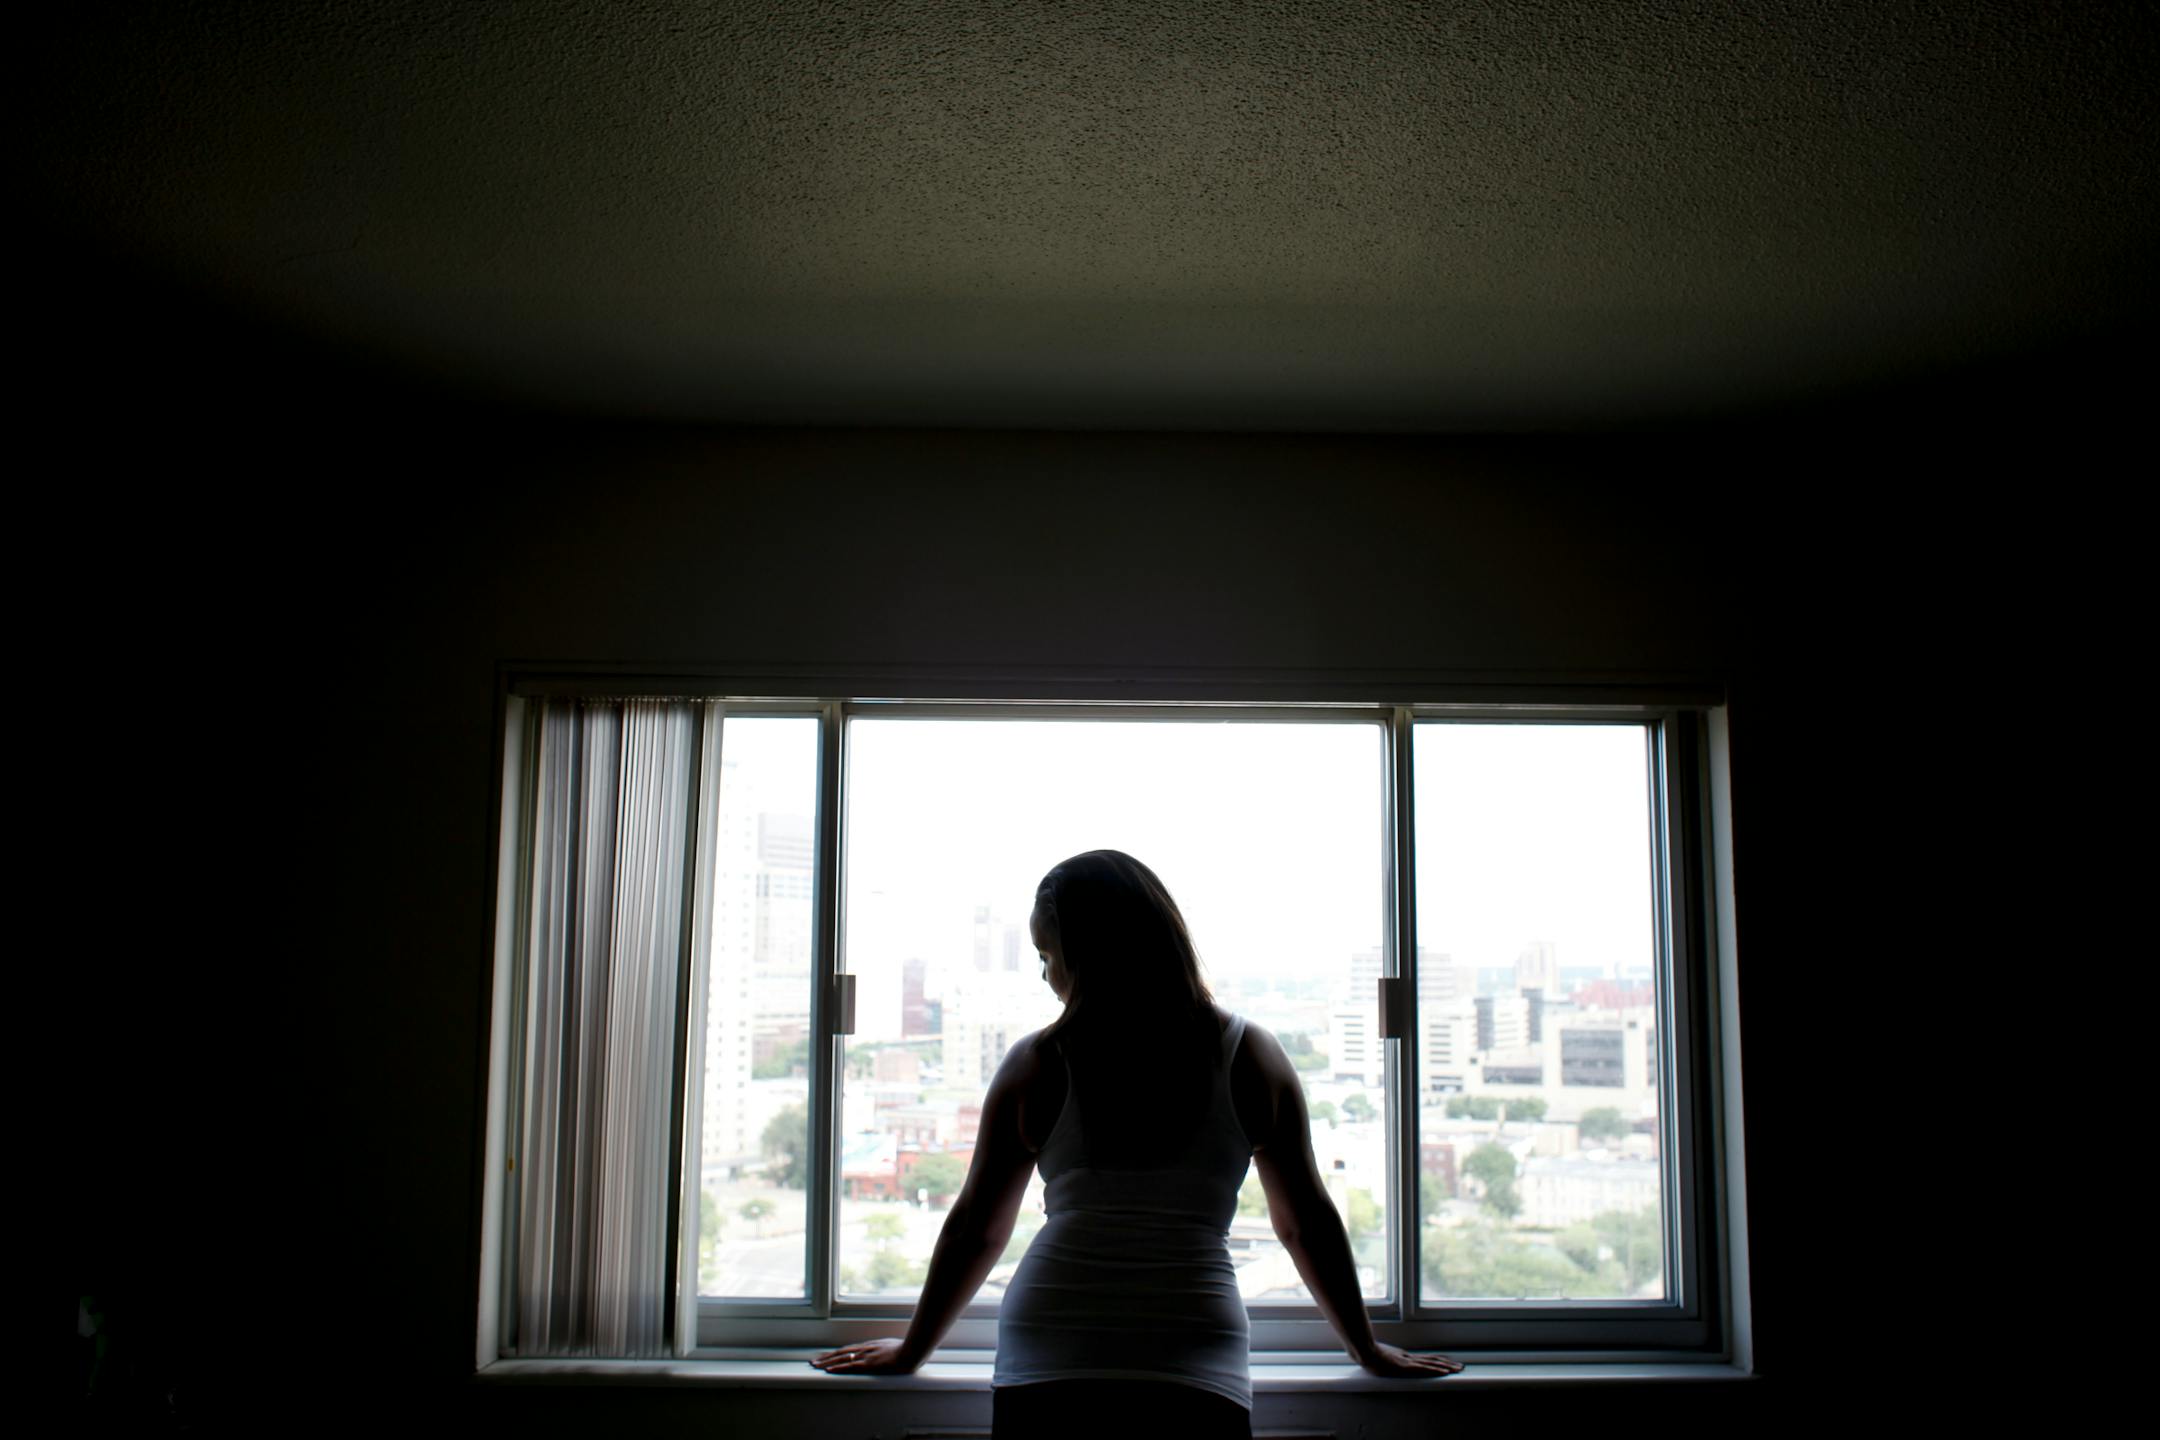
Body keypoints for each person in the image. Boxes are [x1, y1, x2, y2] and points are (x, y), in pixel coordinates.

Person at [811, 850, 1463, 1434]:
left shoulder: (1037, 1063)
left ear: (1087, 955)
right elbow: (1305, 1222)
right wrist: (1364, 1347)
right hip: (1194, 1354)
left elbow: (978, 1227)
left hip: (1050, 1351)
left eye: (1048, 956)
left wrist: (915, 1349)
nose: (1045, 976)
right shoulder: (1252, 1057)